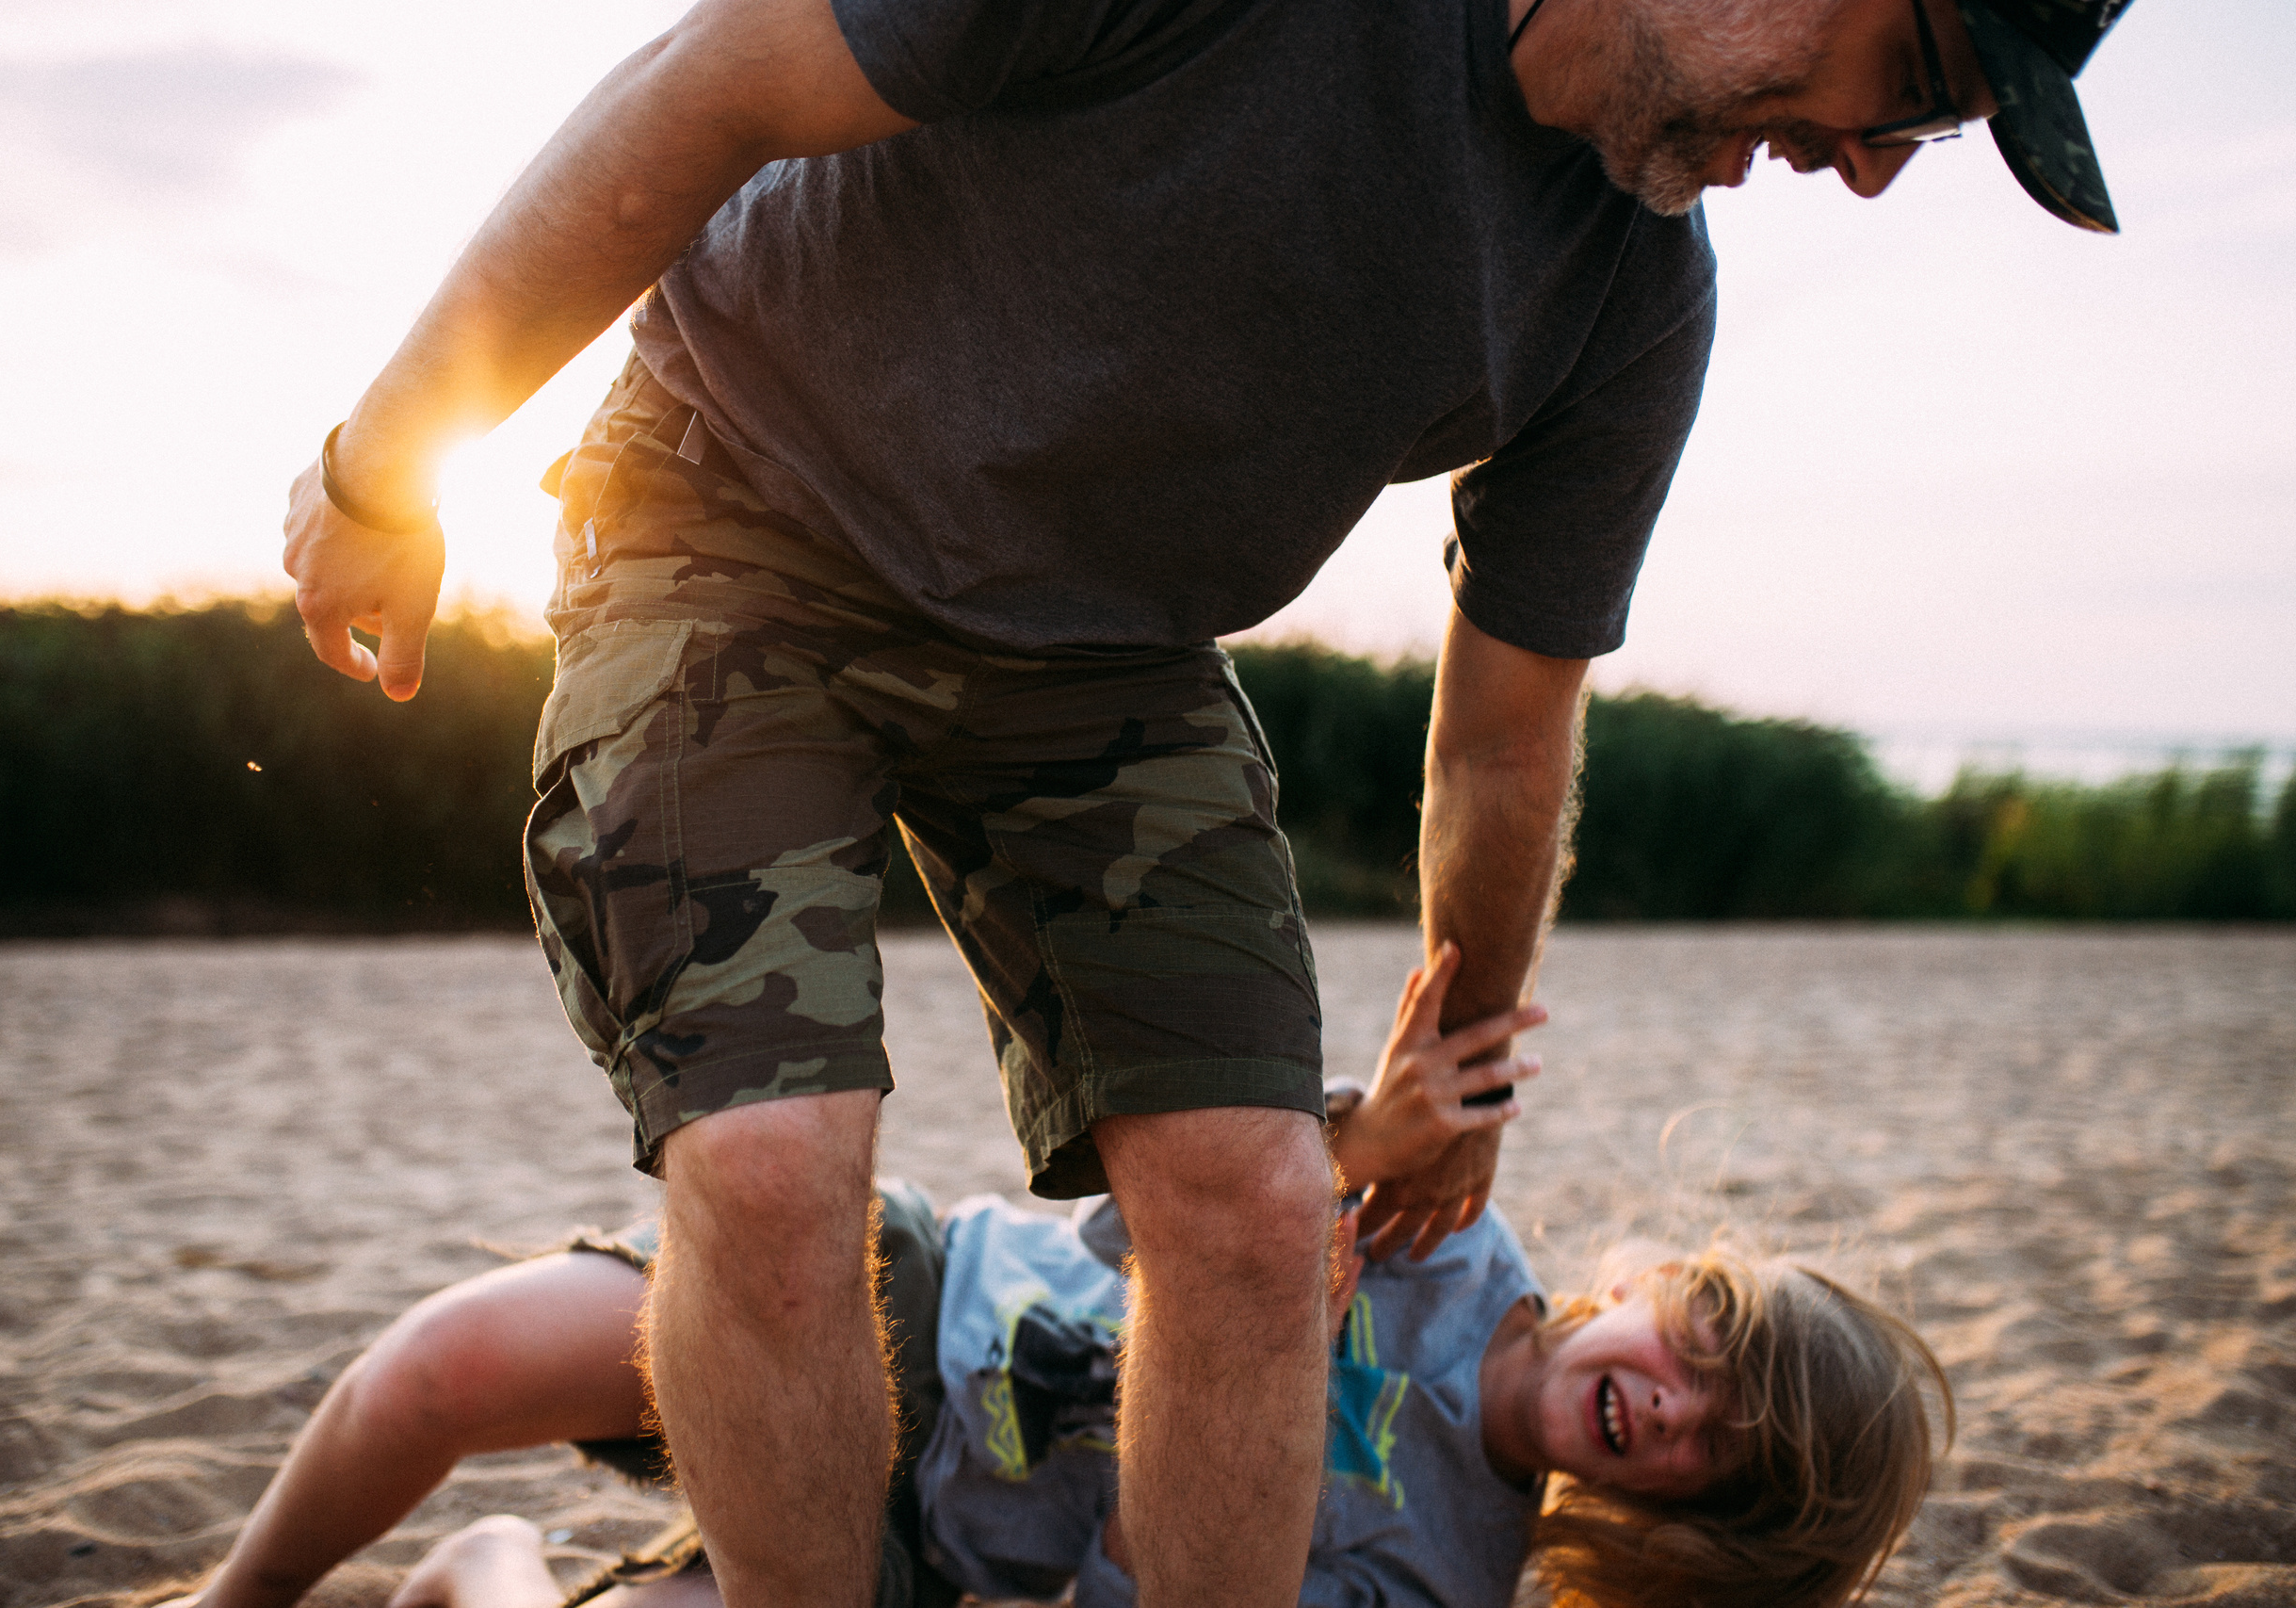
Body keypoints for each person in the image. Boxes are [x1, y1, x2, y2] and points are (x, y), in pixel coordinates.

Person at [277, 0, 2127, 1600]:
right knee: (770, 1159)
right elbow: (723, 78)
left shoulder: (1626, 299)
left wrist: (1465, 1047)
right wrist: (388, 463)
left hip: (1104, 656)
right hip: (739, 515)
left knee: (1250, 1213)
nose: (1873, 165)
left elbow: (1502, 728)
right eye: (1917, 81)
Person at [160, 950, 1950, 1608]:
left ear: (1700, 1526)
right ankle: (238, 1595)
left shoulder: (1443, 1577)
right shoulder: (1442, 1233)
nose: (1674, 1398)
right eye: (1707, 1344)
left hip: (906, 1554)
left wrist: (1240, 1404)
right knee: (449, 1370)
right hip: (894, 1294)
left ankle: (487, 1571)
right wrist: (1336, 1156)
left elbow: (1138, 1596)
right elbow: (1124, 1213)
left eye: (1725, 1447)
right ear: (1659, 1286)